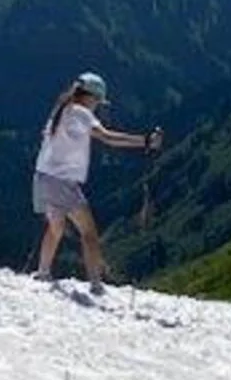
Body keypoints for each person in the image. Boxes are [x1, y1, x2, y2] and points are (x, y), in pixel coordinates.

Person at [31, 72, 162, 294]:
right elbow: (107, 137)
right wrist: (145, 141)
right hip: (63, 182)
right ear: (90, 97)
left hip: (42, 178)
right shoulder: (82, 113)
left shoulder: (61, 110)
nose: (97, 107)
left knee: (56, 228)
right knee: (89, 232)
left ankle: (43, 271)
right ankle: (96, 283)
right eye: (97, 102)